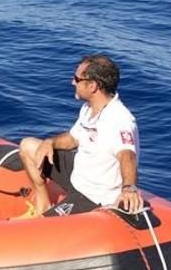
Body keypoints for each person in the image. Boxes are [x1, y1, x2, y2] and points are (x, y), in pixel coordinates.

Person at [17, 54, 143, 217]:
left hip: (93, 195)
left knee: (41, 229)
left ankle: (46, 217)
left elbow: (127, 156)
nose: (72, 82)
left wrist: (129, 189)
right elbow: (73, 138)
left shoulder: (119, 120)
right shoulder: (89, 108)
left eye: (77, 79)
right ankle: (43, 205)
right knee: (28, 146)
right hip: (79, 173)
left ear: (92, 86)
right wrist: (50, 142)